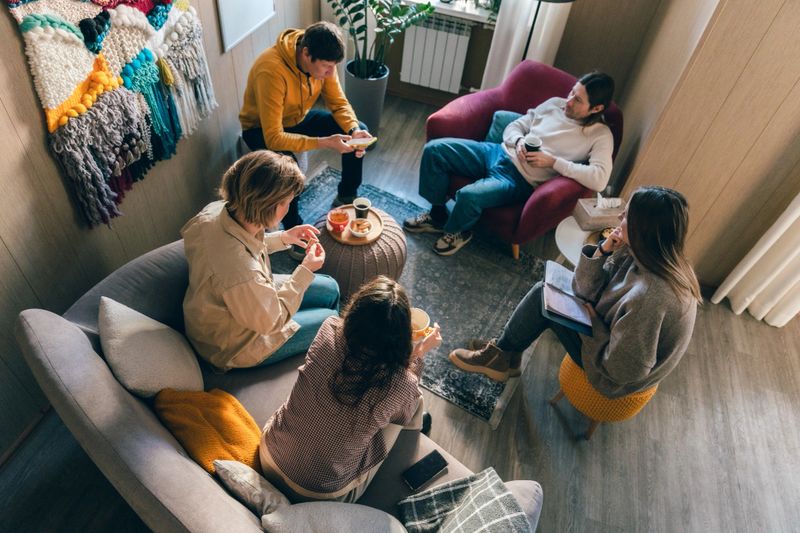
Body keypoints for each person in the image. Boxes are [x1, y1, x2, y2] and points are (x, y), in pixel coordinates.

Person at [449, 186, 700, 399]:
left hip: (610, 373)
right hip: (608, 330)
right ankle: (508, 353)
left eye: (627, 216)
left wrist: (593, 323)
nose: (620, 215)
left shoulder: (650, 298)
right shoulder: (652, 254)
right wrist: (603, 250)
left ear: (642, 230)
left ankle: (500, 356)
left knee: (542, 297)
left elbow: (623, 371)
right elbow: (585, 290)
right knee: (549, 292)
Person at [260, 276, 442, 502]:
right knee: (415, 401)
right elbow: (399, 409)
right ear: (402, 336)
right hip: (319, 493)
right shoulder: (402, 383)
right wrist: (418, 355)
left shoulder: (328, 329)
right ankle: (414, 434)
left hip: (268, 455)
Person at [404, 72, 616, 256]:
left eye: (577, 100)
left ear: (595, 108)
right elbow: (516, 125)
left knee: (469, 196)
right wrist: (518, 141)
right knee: (434, 150)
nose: (568, 101)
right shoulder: (554, 104)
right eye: (571, 92)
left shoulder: (600, 135)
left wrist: (553, 162)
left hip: (519, 180)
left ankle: (458, 231)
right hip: (497, 152)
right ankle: (437, 214)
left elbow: (599, 179)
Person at [181, 150, 340, 372]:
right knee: (332, 320)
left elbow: (242, 246)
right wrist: (305, 269)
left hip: (228, 306)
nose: (289, 208)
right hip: (233, 345)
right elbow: (270, 322)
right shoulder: (242, 273)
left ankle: (327, 344)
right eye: (287, 203)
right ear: (268, 207)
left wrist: (284, 237)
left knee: (330, 288)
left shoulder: (215, 211)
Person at [239, 21, 374, 230]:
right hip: (260, 130)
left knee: (356, 128)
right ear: (306, 54)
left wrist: (354, 130)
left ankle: (347, 193)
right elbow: (273, 137)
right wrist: (325, 143)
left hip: (297, 119)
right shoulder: (271, 70)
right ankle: (294, 229)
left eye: (333, 67)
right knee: (289, 167)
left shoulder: (323, 55)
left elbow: (338, 103)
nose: (330, 73)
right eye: (326, 67)